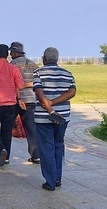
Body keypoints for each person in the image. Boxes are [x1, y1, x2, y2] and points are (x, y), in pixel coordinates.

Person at [33, 47, 76, 191]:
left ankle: (50, 181)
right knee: (58, 145)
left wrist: (49, 105)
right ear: (57, 59)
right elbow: (72, 92)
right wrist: (55, 102)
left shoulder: (38, 73)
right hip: (63, 116)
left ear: (44, 59)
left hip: (43, 117)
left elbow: (39, 93)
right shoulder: (67, 74)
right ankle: (57, 178)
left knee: (46, 148)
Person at [9, 42, 40, 164]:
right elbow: (38, 83)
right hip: (31, 99)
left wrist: (20, 87)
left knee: (7, 127)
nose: (10, 54)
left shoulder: (12, 65)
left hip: (16, 99)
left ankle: (5, 154)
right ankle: (36, 155)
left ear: (16, 52)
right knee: (31, 129)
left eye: (12, 52)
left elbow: (11, 83)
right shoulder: (34, 65)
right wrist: (27, 85)